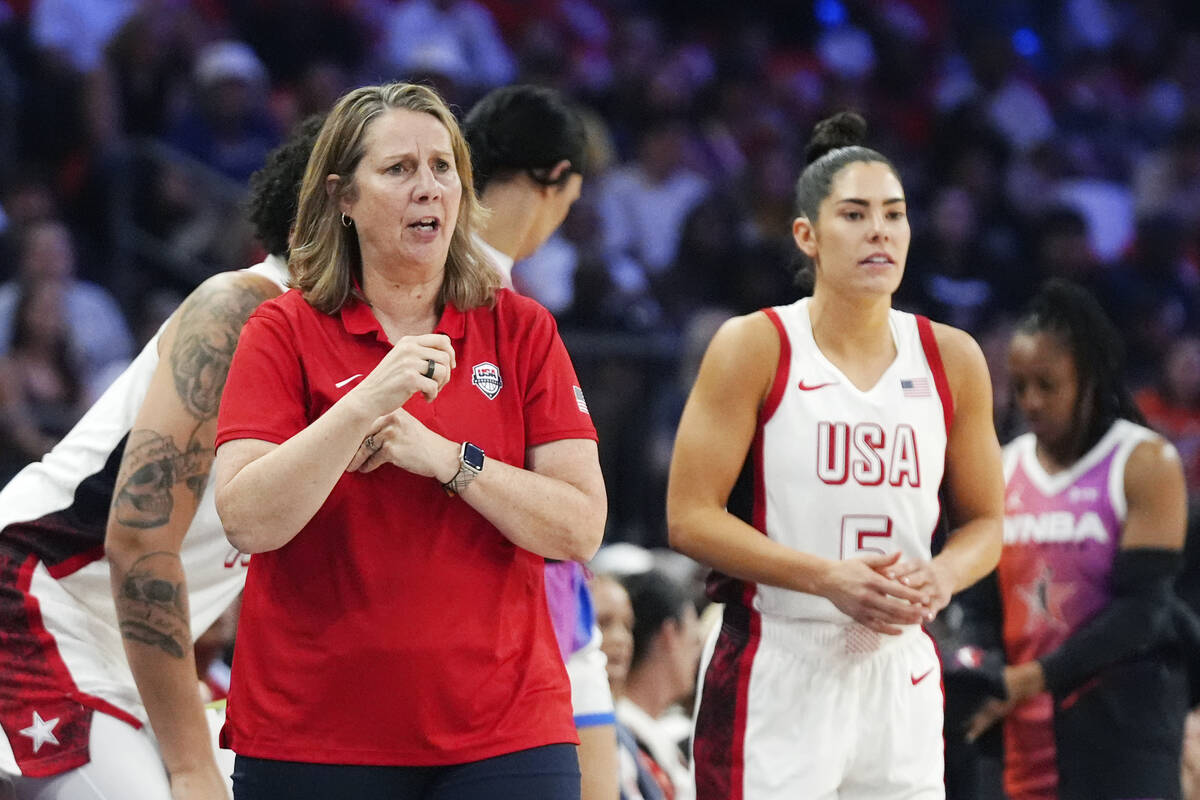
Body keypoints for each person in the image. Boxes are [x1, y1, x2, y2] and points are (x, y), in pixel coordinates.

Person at [211, 82, 606, 800]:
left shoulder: (521, 330)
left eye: (443, 167)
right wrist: (366, 402)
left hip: (506, 731)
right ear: (343, 197)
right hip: (314, 733)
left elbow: (580, 527)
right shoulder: (282, 331)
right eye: (398, 170)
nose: (429, 187)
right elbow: (246, 517)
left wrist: (451, 462)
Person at [666, 111, 1005, 799]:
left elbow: (986, 524)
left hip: (900, 668)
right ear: (808, 235)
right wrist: (825, 577)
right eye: (854, 214)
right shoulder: (756, 344)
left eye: (895, 214)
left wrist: (941, 577)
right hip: (781, 654)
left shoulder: (953, 357)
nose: (879, 230)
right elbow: (689, 518)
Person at [0, 114, 325, 800]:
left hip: (129, 653)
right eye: (397, 172)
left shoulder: (365, 358)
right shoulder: (242, 308)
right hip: (37, 597)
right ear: (330, 209)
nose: (429, 198)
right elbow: (140, 539)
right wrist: (190, 766)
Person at [964, 279, 1190, 800]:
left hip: (1123, 720)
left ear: (1088, 378)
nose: (1031, 402)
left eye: (1048, 384)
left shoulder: (1145, 461)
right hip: (1018, 724)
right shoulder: (1003, 467)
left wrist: (1036, 677)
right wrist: (985, 669)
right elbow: (977, 602)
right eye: (1020, 386)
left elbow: (1144, 612)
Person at [463, 82, 618, 800]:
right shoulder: (472, 297)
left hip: (549, 603)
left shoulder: (514, 304)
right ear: (555, 180)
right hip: (500, 627)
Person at [616, 568, 703, 800]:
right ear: (670, 633)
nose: (698, 658)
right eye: (694, 642)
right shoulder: (619, 739)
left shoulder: (659, 737)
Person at [590, 572, 665, 800]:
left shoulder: (623, 728)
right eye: (604, 623)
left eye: (627, 626)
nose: (621, 638)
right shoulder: (573, 726)